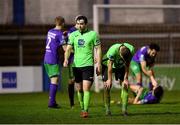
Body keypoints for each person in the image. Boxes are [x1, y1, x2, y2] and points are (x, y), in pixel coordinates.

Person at [63, 15, 102, 118]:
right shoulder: (73, 35)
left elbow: (98, 49)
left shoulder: (93, 34)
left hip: (88, 65)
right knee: (79, 89)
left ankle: (85, 110)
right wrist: (66, 59)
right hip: (76, 65)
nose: (80, 26)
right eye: (78, 24)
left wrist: (98, 63)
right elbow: (68, 49)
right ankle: (81, 107)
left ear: (86, 24)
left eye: (82, 24)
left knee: (86, 89)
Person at [102, 43, 135, 116]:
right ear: (120, 54)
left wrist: (126, 78)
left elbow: (127, 64)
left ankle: (124, 110)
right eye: (123, 58)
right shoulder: (113, 50)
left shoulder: (131, 49)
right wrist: (109, 79)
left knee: (125, 85)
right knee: (107, 86)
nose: (124, 60)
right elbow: (110, 65)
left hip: (120, 66)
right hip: (107, 65)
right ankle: (107, 110)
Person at [44, 16, 66, 108]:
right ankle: (51, 103)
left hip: (46, 58)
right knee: (54, 81)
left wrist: (64, 36)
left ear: (55, 22)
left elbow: (56, 38)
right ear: (63, 23)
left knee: (53, 81)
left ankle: (52, 102)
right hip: (53, 59)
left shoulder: (50, 31)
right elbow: (65, 49)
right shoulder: (60, 35)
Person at [63, 15, 81, 109]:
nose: (81, 24)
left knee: (81, 82)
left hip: (83, 59)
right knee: (71, 81)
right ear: (76, 22)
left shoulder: (86, 31)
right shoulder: (71, 31)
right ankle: (72, 103)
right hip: (73, 59)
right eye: (79, 22)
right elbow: (66, 43)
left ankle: (82, 103)